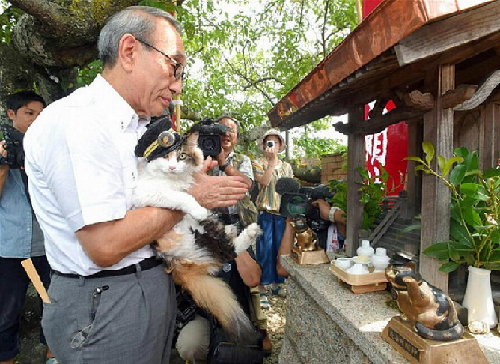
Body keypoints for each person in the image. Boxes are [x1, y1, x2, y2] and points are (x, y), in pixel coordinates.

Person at [23, 7, 248, 364]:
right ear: (129, 51)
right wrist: (189, 196)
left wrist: (190, 182)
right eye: (174, 66)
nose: (177, 85)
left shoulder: (134, 127)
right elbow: (105, 245)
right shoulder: (81, 122)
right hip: (107, 303)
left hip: (145, 287)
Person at [175, 116, 270, 361]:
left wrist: (223, 162)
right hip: (198, 235)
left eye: (232, 130)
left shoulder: (240, 160)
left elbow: (246, 185)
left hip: (236, 232)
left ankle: (255, 328)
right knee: (191, 344)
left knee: (246, 283)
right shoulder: (192, 156)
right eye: (222, 130)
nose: (227, 134)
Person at [0, 91, 57, 364]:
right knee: (5, 313)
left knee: (52, 305)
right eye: (29, 113)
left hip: (44, 248)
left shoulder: (47, 148)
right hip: (11, 250)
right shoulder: (2, 147)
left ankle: (53, 353)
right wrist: (3, 164)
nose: (36, 119)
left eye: (40, 114)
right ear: (11, 114)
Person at [252, 129, 293, 306]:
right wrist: (270, 163)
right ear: (263, 145)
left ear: (280, 145)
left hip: (282, 213)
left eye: (275, 142)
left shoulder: (286, 166)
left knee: (281, 250)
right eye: (269, 142)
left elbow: (291, 189)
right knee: (265, 249)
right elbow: (264, 182)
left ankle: (278, 284)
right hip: (266, 213)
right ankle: (262, 287)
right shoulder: (258, 163)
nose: (272, 145)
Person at [277, 199, 346, 278]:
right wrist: (291, 220)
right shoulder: (298, 227)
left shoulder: (341, 233)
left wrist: (331, 214)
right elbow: (283, 269)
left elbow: (352, 220)